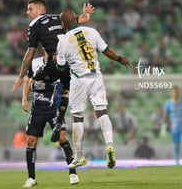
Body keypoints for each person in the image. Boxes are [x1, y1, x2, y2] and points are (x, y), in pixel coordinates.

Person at [56, 9, 131, 169]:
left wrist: (59, 61)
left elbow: (61, 67)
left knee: (77, 117)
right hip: (96, 77)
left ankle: (78, 156)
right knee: (102, 112)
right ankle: (110, 145)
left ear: (63, 24)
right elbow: (107, 51)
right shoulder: (91, 31)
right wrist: (120, 59)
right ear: (76, 20)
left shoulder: (63, 41)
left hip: (79, 81)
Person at [12, 0, 94, 143]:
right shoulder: (60, 17)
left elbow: (30, 53)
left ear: (40, 10)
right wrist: (86, 14)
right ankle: (58, 121)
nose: (27, 12)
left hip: (55, 62)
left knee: (35, 81)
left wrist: (21, 76)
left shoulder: (34, 24)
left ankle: (48, 114)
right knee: (65, 89)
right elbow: (81, 19)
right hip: (73, 61)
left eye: (30, 9)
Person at [21, 53, 79, 187]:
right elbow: (30, 83)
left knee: (62, 137)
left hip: (54, 107)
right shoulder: (35, 63)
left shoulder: (61, 65)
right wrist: (24, 98)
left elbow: (64, 88)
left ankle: (72, 173)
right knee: (30, 140)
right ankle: (31, 178)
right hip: (38, 108)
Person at [162, 86, 182, 166]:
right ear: (172, 93)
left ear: (179, 92)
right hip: (174, 128)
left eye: (177, 92)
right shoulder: (168, 103)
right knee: (176, 146)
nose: (175, 93)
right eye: (174, 92)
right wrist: (163, 127)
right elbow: (165, 116)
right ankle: (177, 163)